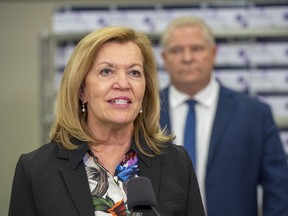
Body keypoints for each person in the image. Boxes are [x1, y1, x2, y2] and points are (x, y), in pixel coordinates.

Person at [9, 26, 205, 216]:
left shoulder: (176, 162)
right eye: (107, 71)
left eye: (134, 72)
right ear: (81, 90)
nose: (123, 83)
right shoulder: (35, 170)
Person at [159, 16, 288, 216]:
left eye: (196, 48)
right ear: (164, 58)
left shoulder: (254, 114)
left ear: (213, 53)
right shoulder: (144, 112)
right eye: (176, 50)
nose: (187, 57)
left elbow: (279, 189)